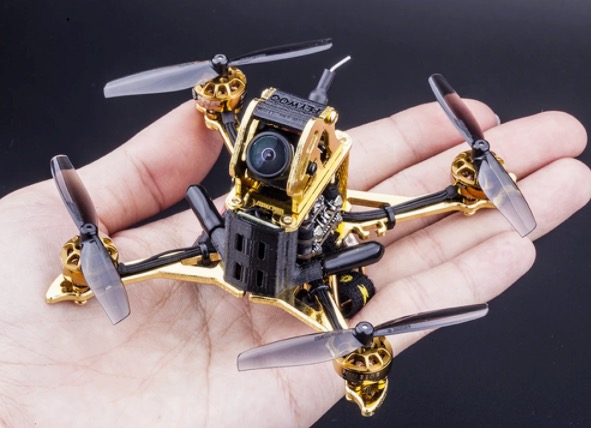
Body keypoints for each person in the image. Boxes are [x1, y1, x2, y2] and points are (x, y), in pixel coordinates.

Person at [0, 99, 589, 426]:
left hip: (308, 260)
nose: (262, 156)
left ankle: (467, 193)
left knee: (366, 222)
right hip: (236, 248)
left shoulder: (322, 186)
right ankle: (84, 279)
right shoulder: (253, 177)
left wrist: (358, 351)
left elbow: (330, 206)